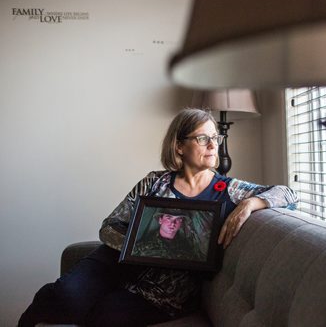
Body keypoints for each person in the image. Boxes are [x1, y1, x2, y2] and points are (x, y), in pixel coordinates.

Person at [18, 108, 298, 327]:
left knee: (107, 317)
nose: (213, 145)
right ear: (179, 146)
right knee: (67, 297)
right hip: (113, 264)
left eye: (216, 137)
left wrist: (251, 203)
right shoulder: (153, 183)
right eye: (203, 138)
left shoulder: (228, 189)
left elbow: (288, 194)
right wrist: (143, 243)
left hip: (161, 293)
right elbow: (109, 228)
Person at [132, 210, 205, 261]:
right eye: (169, 218)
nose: (173, 223)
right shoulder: (140, 248)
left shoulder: (187, 250)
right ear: (160, 220)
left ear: (181, 223)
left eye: (178, 219)